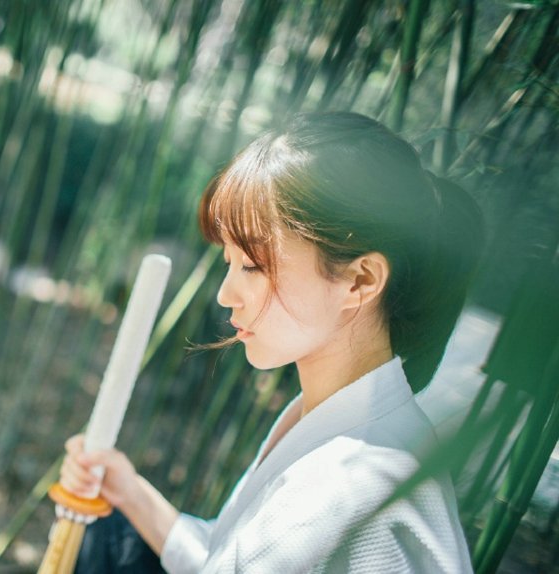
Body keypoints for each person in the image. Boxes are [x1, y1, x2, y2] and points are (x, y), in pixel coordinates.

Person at [57, 111, 483, 573]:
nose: (225, 294)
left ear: (359, 280)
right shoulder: (336, 423)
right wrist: (125, 489)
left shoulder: (349, 487)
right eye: (229, 261)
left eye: (253, 266)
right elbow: (229, 559)